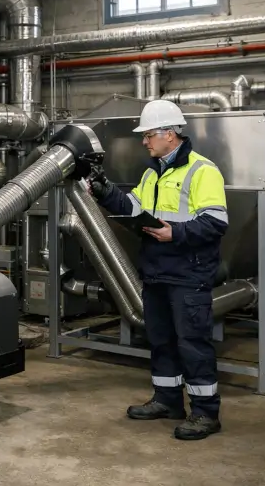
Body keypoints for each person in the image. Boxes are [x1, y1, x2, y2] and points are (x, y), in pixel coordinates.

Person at [90, 100, 228, 441]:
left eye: (150, 134)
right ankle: (168, 401)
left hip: (189, 274)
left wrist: (174, 233)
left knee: (193, 344)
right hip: (156, 271)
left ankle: (206, 414)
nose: (145, 141)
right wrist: (105, 191)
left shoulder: (202, 171)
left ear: (171, 134)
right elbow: (134, 208)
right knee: (162, 340)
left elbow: (216, 223)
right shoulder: (152, 173)